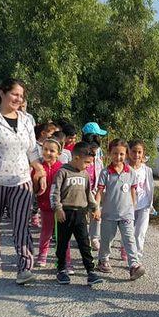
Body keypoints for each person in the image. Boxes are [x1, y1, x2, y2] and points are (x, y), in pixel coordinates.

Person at [0, 78, 46, 285]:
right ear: (2, 93)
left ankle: (25, 267)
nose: (18, 99)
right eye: (14, 94)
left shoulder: (27, 120)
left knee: (22, 225)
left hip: (21, 180)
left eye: (21, 96)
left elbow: (32, 149)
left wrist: (39, 169)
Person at [50, 141, 103, 286]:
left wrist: (95, 208)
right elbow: (54, 192)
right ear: (76, 158)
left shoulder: (85, 174)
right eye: (87, 162)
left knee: (84, 244)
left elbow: (89, 194)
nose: (89, 166)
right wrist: (58, 208)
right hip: (64, 214)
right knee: (62, 244)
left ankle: (90, 272)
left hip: (80, 214)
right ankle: (61, 270)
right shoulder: (62, 172)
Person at [96, 139, 145, 280]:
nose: (118, 157)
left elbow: (133, 191)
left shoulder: (131, 172)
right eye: (115, 153)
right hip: (109, 214)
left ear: (127, 154)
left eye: (122, 154)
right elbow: (99, 192)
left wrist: (133, 207)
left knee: (130, 240)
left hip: (127, 214)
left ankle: (134, 265)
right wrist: (97, 208)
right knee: (106, 239)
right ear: (109, 154)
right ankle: (103, 259)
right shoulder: (106, 173)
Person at [33, 138, 67, 267]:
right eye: (45, 149)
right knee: (46, 232)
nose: (48, 153)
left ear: (59, 153)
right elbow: (35, 188)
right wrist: (37, 177)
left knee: (63, 234)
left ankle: (64, 258)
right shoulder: (38, 167)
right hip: (46, 206)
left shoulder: (62, 168)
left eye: (52, 150)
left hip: (60, 207)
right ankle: (42, 254)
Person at [81, 122, 108, 250]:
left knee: (96, 214)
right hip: (81, 188)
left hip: (95, 188)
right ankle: (82, 237)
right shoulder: (80, 152)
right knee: (81, 215)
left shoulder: (99, 151)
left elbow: (100, 167)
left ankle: (94, 238)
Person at [127, 140, 154, 259]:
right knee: (128, 232)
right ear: (128, 152)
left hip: (143, 204)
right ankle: (127, 249)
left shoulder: (146, 170)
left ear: (143, 154)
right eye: (134, 151)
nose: (136, 155)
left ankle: (136, 255)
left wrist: (150, 204)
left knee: (140, 232)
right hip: (128, 205)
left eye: (139, 152)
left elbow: (149, 187)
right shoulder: (124, 168)